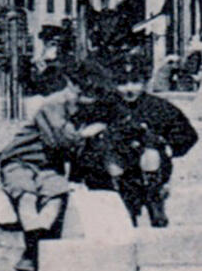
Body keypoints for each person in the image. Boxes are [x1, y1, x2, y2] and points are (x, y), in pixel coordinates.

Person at [0, 59, 114, 271]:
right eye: (80, 93)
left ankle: (34, 250)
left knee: (56, 194)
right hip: (20, 160)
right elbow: (59, 140)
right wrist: (86, 133)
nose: (82, 101)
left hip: (50, 165)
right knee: (27, 194)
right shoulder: (52, 104)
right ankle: (32, 250)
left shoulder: (83, 110)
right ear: (71, 85)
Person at [74, 59, 198, 227]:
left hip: (151, 167)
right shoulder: (103, 106)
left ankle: (155, 202)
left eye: (135, 82)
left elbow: (187, 133)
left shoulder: (158, 106)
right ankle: (125, 207)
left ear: (145, 82)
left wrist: (170, 147)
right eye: (122, 83)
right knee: (110, 157)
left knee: (151, 150)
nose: (129, 89)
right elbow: (81, 135)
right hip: (115, 168)